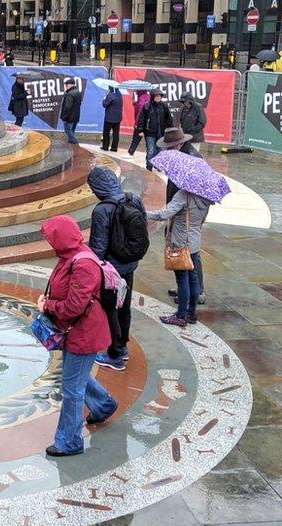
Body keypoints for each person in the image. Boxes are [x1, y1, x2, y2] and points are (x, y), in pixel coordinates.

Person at [38, 215, 118, 457]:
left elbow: (74, 307)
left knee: (72, 388)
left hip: (84, 334)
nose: (50, 243)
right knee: (75, 376)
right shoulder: (69, 255)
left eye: (52, 238)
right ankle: (103, 405)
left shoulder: (82, 264)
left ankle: (69, 441)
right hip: (77, 331)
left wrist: (47, 306)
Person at [86, 167, 146, 371]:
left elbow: (98, 247)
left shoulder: (102, 210)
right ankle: (123, 347)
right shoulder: (133, 199)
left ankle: (115, 354)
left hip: (111, 269)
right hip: (130, 264)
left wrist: (92, 270)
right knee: (125, 306)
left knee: (111, 309)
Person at [146, 146, 212, 327]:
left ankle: (181, 315)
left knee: (182, 279)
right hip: (195, 242)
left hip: (181, 242)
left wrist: (145, 213)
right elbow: (202, 220)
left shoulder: (183, 195)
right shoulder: (206, 197)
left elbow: (164, 214)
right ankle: (191, 314)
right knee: (193, 279)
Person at [135, 89, 172, 170]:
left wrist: (170, 130)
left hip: (161, 133)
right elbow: (141, 119)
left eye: (160, 96)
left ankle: (158, 165)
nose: (158, 97)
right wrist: (140, 130)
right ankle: (149, 166)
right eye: (156, 95)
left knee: (160, 151)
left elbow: (169, 119)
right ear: (152, 96)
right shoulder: (147, 106)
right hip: (149, 133)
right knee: (150, 151)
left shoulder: (164, 106)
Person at [126, 90, 151, 156]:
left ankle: (130, 153)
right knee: (147, 141)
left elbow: (140, 112)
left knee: (135, 139)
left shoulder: (142, 98)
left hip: (141, 123)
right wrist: (135, 103)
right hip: (146, 123)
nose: (135, 90)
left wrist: (137, 123)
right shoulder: (145, 96)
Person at [60, 78, 82, 145]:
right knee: (71, 131)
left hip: (69, 117)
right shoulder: (78, 92)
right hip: (75, 116)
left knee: (68, 130)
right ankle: (71, 143)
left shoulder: (69, 94)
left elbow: (67, 107)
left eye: (66, 85)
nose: (65, 86)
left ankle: (75, 143)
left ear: (70, 85)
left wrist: (64, 117)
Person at [101, 85, 122, 152]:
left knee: (106, 133)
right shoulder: (119, 94)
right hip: (118, 117)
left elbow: (105, 104)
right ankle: (114, 148)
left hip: (109, 118)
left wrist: (104, 98)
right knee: (116, 133)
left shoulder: (110, 95)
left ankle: (105, 147)